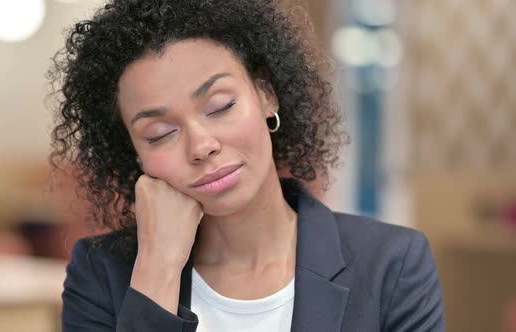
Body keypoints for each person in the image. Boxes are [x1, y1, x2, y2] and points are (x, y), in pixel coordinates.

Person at [49, 0, 445, 331]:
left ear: (266, 95)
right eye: (159, 133)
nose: (202, 146)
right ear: (135, 153)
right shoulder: (101, 273)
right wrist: (158, 266)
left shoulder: (392, 264)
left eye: (221, 107)